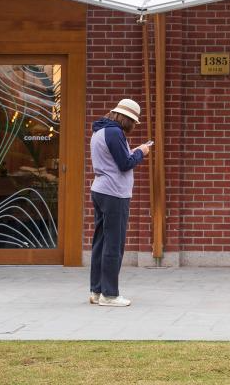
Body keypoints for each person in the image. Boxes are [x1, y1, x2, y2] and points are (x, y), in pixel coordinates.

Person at [89, 98, 151, 307]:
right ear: (127, 119)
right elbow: (124, 164)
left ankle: (96, 290)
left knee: (100, 242)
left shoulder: (99, 131)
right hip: (114, 193)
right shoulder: (115, 132)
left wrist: (132, 152)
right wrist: (141, 151)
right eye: (133, 121)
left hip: (100, 190)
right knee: (114, 245)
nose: (133, 126)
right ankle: (110, 295)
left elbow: (114, 160)